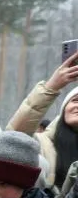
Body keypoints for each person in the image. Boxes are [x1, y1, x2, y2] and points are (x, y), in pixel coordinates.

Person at [6, 51, 78, 190]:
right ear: (63, 109)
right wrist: (51, 87)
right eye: (75, 100)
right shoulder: (40, 145)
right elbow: (12, 139)